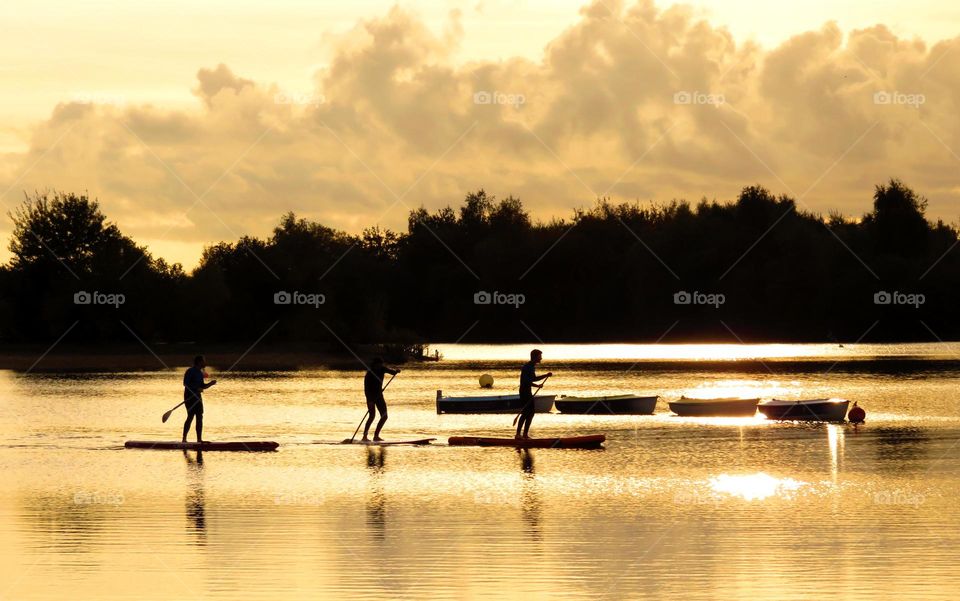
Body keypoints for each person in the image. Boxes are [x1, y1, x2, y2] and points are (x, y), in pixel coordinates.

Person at [516, 349, 552, 439]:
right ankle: (518, 435)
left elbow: (533, 378)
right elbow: (526, 381)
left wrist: (546, 375)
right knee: (525, 413)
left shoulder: (532, 366)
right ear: (535, 357)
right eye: (540, 356)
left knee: (531, 413)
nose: (541, 358)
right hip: (524, 393)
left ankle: (525, 435)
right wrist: (537, 385)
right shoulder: (527, 367)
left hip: (528, 392)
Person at [363, 357, 399, 442]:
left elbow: (391, 372)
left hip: (379, 396)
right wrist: (370, 401)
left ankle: (376, 436)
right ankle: (365, 436)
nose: (380, 366)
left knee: (384, 416)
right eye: (378, 365)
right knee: (372, 416)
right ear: (374, 365)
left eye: (381, 365)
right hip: (371, 397)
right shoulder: (369, 374)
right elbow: (366, 389)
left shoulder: (382, 369)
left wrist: (396, 371)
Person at [182, 355, 217, 443]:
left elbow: (202, 386)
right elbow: (185, 384)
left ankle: (199, 440)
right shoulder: (190, 371)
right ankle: (184, 439)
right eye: (203, 361)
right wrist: (195, 389)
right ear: (199, 362)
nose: (205, 363)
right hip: (189, 397)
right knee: (190, 417)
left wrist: (211, 384)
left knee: (199, 417)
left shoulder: (200, 373)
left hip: (197, 398)